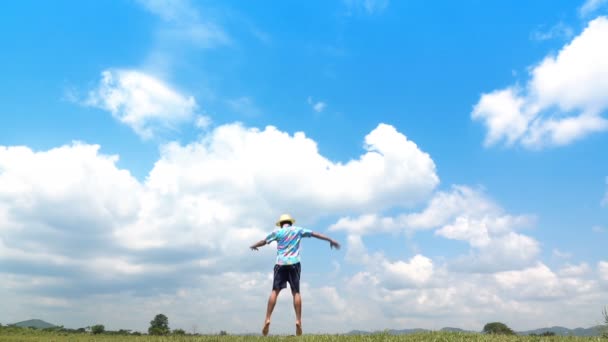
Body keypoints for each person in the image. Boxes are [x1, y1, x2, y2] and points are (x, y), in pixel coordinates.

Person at [249, 213, 341, 336]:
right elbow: (315, 234)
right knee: (296, 292)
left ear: (281, 224)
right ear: (291, 223)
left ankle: (267, 318)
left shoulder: (277, 232)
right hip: (294, 263)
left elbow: (264, 241)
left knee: (275, 291)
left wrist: (254, 245)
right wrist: (330, 239)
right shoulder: (298, 230)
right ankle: (298, 321)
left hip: (280, 264)